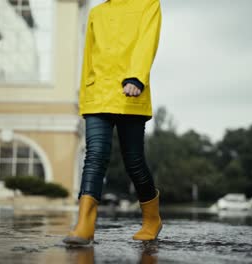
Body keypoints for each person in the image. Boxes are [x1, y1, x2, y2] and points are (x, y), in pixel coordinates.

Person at [63, 0, 162, 245]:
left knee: (134, 162)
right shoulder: (97, 13)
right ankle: (84, 224)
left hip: (131, 92)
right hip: (97, 96)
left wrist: (137, 78)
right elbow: (89, 57)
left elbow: (147, 42)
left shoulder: (149, 5)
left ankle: (152, 220)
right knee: (94, 155)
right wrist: (84, 97)